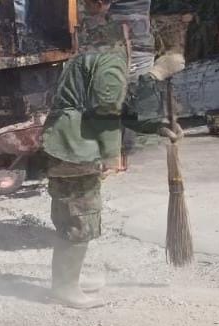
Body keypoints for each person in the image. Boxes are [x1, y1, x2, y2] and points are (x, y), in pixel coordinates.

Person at [40, 46, 184, 308]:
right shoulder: (109, 58)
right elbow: (108, 107)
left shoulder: (95, 57)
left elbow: (118, 107)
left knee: (73, 215)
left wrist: (156, 128)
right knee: (80, 215)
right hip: (75, 146)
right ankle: (64, 287)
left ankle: (67, 278)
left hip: (68, 141)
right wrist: (155, 75)